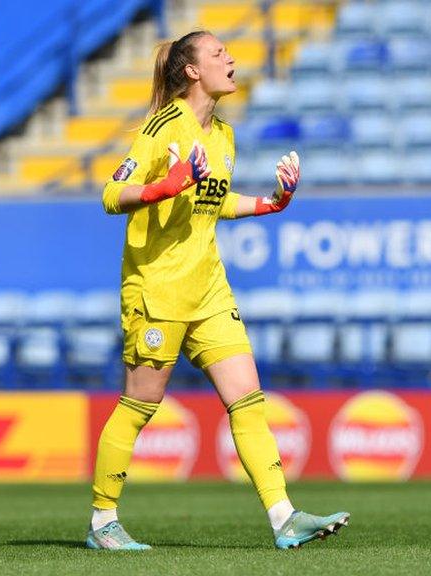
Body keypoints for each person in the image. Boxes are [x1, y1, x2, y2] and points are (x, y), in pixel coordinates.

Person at [88, 30, 349, 551]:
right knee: (141, 404)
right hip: (156, 288)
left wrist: (270, 204)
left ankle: (283, 518)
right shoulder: (163, 128)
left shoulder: (223, 135)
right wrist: (161, 188)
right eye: (218, 54)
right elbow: (111, 193)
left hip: (209, 291)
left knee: (248, 400)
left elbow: (217, 200)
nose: (231, 59)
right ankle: (102, 523)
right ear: (192, 71)